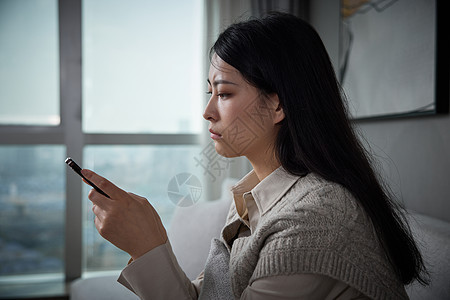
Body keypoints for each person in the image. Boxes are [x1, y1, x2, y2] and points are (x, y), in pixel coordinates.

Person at [82, 12, 429, 299]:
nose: (207, 111)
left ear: (277, 103)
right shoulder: (256, 199)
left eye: (225, 93)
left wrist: (149, 247)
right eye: (210, 92)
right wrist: (146, 241)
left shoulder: (313, 219)